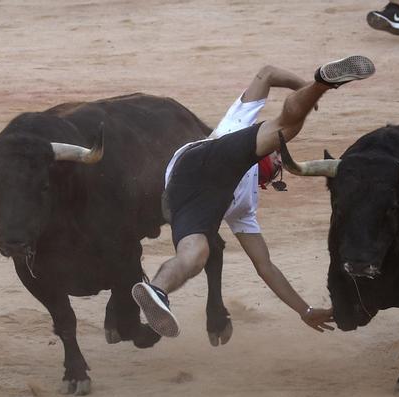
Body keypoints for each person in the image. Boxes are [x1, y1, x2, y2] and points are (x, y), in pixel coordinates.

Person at [133, 55, 376, 338]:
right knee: (287, 129)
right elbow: (268, 73)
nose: (278, 163)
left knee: (194, 256)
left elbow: (266, 267)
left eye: (278, 168)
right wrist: (306, 85)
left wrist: (305, 310)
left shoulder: (245, 207)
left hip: (186, 198)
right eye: (278, 159)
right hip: (202, 160)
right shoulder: (240, 121)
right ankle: (322, 82)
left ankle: (157, 292)